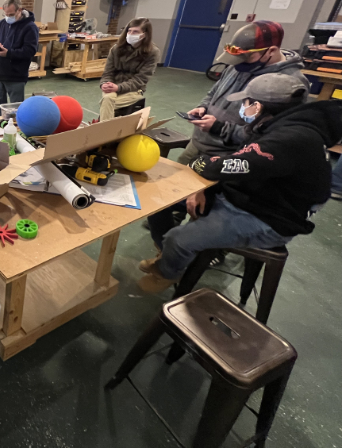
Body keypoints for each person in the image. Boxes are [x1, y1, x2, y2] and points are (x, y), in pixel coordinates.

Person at [138, 73, 342, 293]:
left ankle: (168, 272)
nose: (242, 107)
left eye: (246, 102)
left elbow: (224, 166)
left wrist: (199, 163)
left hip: (269, 218)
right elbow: (242, 167)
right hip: (254, 197)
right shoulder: (279, 124)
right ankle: (170, 253)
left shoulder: (289, 139)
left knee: (179, 239)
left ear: (259, 106)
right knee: (161, 202)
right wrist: (207, 189)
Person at [178, 20, 308, 166]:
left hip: (228, 156)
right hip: (199, 143)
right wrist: (203, 106)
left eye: (246, 57)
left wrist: (219, 128)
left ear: (271, 51)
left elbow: (270, 133)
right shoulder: (239, 66)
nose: (239, 62)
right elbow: (214, 92)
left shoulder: (290, 84)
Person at [99, 18, 160, 121]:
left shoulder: (152, 52)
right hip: (112, 86)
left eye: (135, 31)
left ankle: (103, 133)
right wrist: (105, 83)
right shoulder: (116, 49)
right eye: (129, 30)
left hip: (134, 90)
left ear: (145, 34)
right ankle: (106, 133)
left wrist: (118, 87)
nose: (131, 34)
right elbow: (108, 72)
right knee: (108, 99)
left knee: (107, 101)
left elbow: (140, 80)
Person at [0, 0, 39, 117]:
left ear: (19, 10)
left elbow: (30, 50)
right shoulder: (0, 25)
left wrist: (8, 53)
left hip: (15, 77)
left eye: (10, 14)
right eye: (5, 14)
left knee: (17, 110)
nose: (8, 17)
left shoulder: (30, 27)